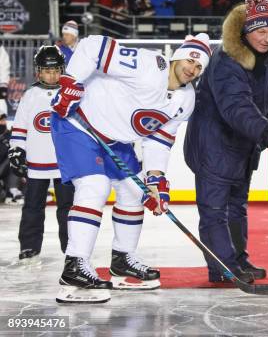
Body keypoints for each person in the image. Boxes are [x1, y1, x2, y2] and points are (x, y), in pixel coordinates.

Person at [51, 32, 211, 303]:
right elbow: (93, 46)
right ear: (177, 56)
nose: (192, 69)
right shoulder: (148, 65)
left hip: (116, 140)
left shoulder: (186, 100)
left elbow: (159, 141)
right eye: (189, 60)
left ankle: (122, 259)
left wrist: (155, 180)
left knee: (134, 193)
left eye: (198, 67)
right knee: (95, 186)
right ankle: (74, 266)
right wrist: (70, 83)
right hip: (79, 122)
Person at [184, 0, 268, 284]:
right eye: (260, 31)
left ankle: (237, 260)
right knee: (215, 210)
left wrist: (264, 130)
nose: (267, 38)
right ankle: (224, 267)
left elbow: (261, 101)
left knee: (236, 207)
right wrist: (266, 130)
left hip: (243, 145)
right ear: (244, 32)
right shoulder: (226, 60)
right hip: (214, 145)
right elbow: (236, 105)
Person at [9, 46, 75, 263]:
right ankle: (29, 246)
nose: (52, 75)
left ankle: (72, 246)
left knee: (68, 207)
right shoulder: (30, 95)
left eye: (56, 70)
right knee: (32, 207)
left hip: (64, 162)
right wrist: (17, 149)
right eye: (47, 71)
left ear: (62, 70)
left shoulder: (69, 94)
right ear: (39, 71)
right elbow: (20, 126)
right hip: (36, 161)